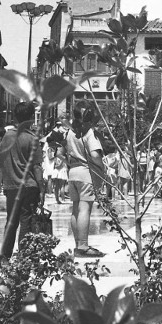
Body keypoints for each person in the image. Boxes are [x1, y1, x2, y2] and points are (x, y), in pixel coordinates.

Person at [0, 102, 45, 259]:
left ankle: (4, 257)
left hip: (11, 186)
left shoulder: (7, 136)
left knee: (11, 221)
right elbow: (37, 167)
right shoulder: (32, 138)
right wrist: (42, 189)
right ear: (31, 118)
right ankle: (23, 256)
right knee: (26, 221)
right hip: (29, 185)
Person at [65, 105, 106, 257]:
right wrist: (102, 167)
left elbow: (62, 153)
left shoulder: (70, 132)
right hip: (85, 174)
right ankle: (83, 246)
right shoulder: (88, 132)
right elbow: (95, 155)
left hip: (72, 173)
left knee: (75, 209)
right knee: (84, 210)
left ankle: (77, 245)